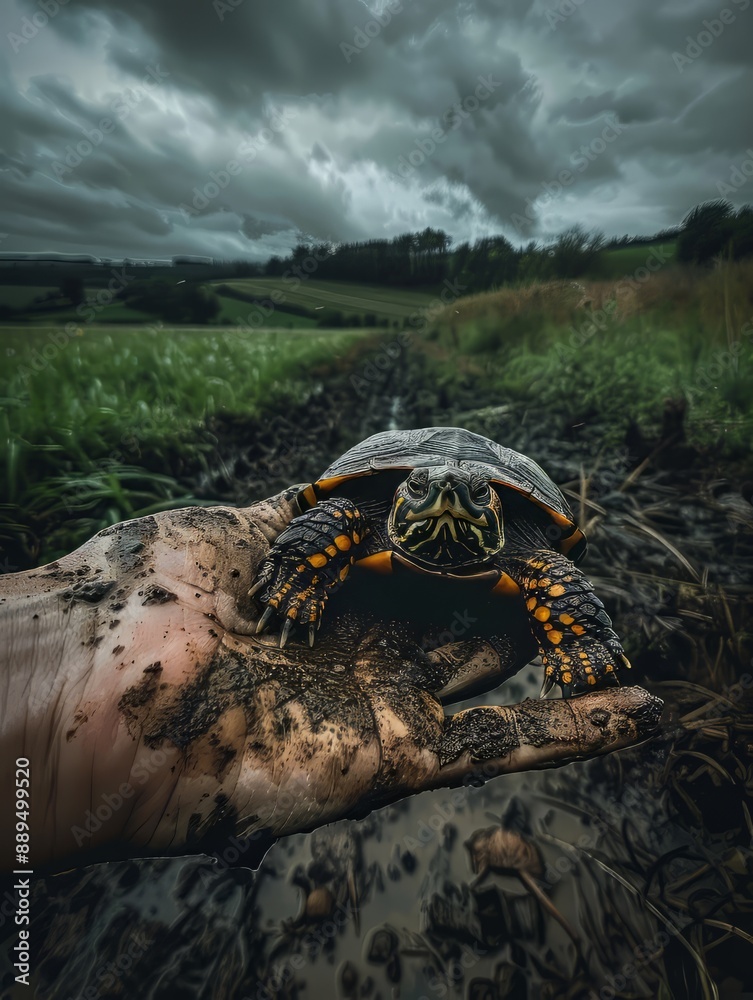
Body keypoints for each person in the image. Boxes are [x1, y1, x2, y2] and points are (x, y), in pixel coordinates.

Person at [0, 488, 662, 872]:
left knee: (553, 587)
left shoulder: (525, 546)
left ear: (495, 517)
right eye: (423, 500)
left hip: (485, 571)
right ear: (397, 505)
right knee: (329, 526)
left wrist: (579, 637)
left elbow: (557, 569)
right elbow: (331, 512)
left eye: (469, 505)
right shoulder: (362, 512)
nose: (447, 507)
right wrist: (300, 571)